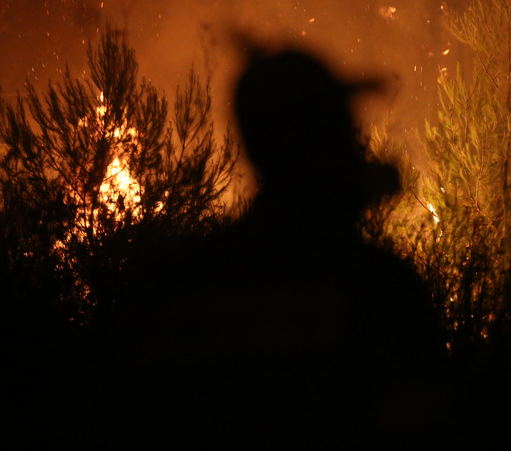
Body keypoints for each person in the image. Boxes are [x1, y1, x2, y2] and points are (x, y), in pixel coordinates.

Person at [115, 43, 446, 447]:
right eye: (344, 128)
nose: (357, 144)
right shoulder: (378, 291)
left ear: (252, 146)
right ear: (332, 138)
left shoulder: (181, 286)